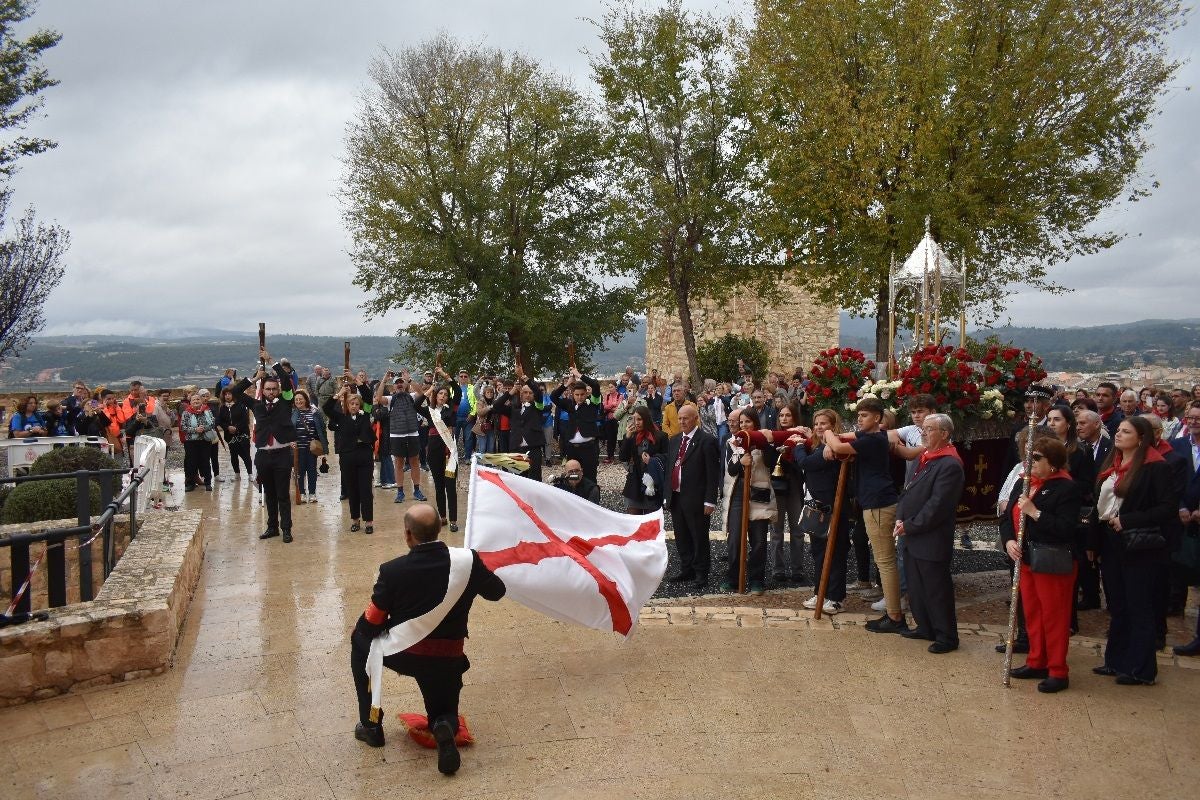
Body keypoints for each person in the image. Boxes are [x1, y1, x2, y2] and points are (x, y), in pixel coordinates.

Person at [350, 504, 505, 774]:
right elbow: (497, 592)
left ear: (408, 534)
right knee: (444, 711)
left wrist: (366, 627)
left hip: (403, 655)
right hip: (447, 657)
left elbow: (371, 624)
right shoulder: (468, 562)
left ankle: (371, 725)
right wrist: (475, 568)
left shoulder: (392, 571)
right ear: (440, 529)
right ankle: (443, 725)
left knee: (359, 641)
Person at [1092, 415, 1177, 685]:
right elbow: (1099, 506)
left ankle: (1141, 668)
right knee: (1118, 604)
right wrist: (1093, 543)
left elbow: (1166, 508)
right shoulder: (1112, 463)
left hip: (1139, 543)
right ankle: (1116, 660)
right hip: (1111, 541)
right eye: (1118, 430)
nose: (1118, 434)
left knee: (1139, 604)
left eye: (1126, 432)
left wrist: (1128, 520)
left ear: (1141, 439)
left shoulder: (1155, 467)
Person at [1000, 437, 1082, 692]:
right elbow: (1006, 515)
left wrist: (1035, 513)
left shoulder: (1066, 488)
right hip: (1025, 558)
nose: (1030, 462)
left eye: (1037, 458)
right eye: (1029, 456)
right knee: (1033, 612)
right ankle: (1037, 660)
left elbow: (1066, 528)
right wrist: (1009, 540)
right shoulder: (1024, 482)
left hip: (1051, 560)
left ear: (1054, 463)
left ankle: (1058, 669)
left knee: (1054, 616)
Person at [823, 397, 907, 634]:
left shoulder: (872, 440)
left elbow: (840, 446)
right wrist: (836, 439)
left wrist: (829, 433)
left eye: (865, 416)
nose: (859, 420)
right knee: (885, 559)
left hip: (878, 503)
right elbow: (849, 439)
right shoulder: (874, 437)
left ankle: (894, 616)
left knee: (885, 561)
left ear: (878, 418)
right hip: (876, 501)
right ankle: (893, 613)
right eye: (858, 416)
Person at [894, 413, 965, 655]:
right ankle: (925, 626)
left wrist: (911, 525)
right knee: (916, 586)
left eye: (929, 429)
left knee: (936, 589)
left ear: (944, 434)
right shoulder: (924, 456)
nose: (923, 433)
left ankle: (946, 635)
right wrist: (901, 517)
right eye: (923, 428)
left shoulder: (950, 464)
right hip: (912, 533)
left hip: (931, 537)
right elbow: (908, 490)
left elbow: (938, 506)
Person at [232, 351, 298, 543]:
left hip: (282, 453)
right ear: (264, 390)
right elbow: (236, 392)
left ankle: (286, 528)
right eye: (267, 389)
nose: (270, 392)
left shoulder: (286, 402)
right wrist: (254, 379)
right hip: (263, 454)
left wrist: (272, 362)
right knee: (268, 493)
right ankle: (272, 527)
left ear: (277, 390)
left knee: (283, 494)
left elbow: (286, 381)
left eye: (273, 389)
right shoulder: (256, 405)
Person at [800, 409, 851, 614]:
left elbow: (806, 463)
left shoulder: (834, 446)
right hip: (816, 506)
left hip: (834, 506)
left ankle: (836, 597)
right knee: (818, 551)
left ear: (833, 425)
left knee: (836, 552)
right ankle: (820, 591)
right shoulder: (817, 446)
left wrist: (797, 448)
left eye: (824, 423)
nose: (819, 427)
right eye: (816, 423)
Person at [665, 403, 720, 589]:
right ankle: (686, 568)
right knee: (681, 536)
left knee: (699, 536)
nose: (682, 421)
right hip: (677, 497)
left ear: (695, 419)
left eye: (685, 418)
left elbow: (713, 474)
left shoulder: (707, 441)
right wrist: (667, 495)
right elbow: (670, 469)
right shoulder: (673, 440)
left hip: (696, 498)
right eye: (679, 418)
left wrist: (710, 500)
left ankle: (701, 572)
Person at [723, 412, 777, 595]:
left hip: (759, 494)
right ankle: (734, 578)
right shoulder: (734, 443)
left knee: (759, 540)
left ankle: (756, 580)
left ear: (755, 423)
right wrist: (741, 463)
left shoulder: (763, 440)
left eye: (748, 421)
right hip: (739, 495)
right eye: (741, 422)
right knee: (735, 539)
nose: (744, 425)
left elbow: (771, 462)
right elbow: (731, 469)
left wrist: (766, 445)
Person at [325, 380, 377, 534]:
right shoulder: (341, 418)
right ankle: (355, 519)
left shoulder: (365, 415)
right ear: (347, 406)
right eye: (351, 404)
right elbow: (327, 408)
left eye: (356, 404)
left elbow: (368, 396)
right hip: (347, 456)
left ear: (359, 405)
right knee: (352, 489)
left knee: (365, 489)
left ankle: (369, 521)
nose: (354, 406)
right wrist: (339, 393)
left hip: (364, 455)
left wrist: (357, 381)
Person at [1171, 401, 1200, 656]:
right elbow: (1171, 482)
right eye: (1190, 418)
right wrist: (1180, 506)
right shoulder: (1178, 445)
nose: (1194, 422)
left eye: (1198, 418)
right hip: (1182, 519)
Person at [375, 370, 428, 505]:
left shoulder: (411, 396)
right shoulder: (391, 399)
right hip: (397, 434)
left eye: (401, 382)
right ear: (393, 387)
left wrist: (409, 380)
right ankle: (400, 492)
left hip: (412, 433)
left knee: (414, 462)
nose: (399, 385)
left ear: (404, 385)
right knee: (399, 463)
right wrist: (384, 380)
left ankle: (416, 490)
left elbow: (422, 393)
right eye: (396, 383)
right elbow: (378, 398)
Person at [769, 403, 808, 585]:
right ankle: (777, 569)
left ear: (794, 418)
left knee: (797, 529)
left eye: (788, 415)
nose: (784, 419)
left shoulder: (801, 436)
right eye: (781, 415)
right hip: (777, 486)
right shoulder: (773, 437)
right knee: (776, 530)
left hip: (794, 484)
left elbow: (804, 462)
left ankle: (797, 569)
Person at [422, 369, 462, 531]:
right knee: (439, 485)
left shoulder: (451, 409)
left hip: (449, 451)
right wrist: (430, 389)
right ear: (436, 395)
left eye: (445, 394)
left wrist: (446, 375)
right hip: (434, 450)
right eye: (440, 393)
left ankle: (453, 520)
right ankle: (443, 517)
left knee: (450, 486)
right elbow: (416, 403)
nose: (443, 396)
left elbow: (458, 390)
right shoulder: (429, 411)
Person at [550, 368, 603, 484]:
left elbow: (595, 384)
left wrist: (578, 375)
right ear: (572, 394)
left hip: (589, 448)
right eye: (577, 395)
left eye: (582, 394)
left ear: (586, 393)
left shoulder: (593, 403)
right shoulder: (569, 404)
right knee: (573, 478)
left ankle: (591, 499)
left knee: (590, 476)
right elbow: (553, 397)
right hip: (572, 448)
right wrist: (568, 383)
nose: (579, 397)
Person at [620, 406, 668, 513]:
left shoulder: (661, 436)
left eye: (639, 419)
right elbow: (623, 457)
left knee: (650, 524)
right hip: (634, 483)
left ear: (646, 419)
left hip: (652, 484)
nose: (636, 423)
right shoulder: (630, 435)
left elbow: (667, 459)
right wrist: (627, 438)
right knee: (634, 524)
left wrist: (652, 461)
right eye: (634, 419)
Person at [509, 368, 547, 482]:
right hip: (517, 447)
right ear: (520, 394)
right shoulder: (515, 408)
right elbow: (497, 406)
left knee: (535, 478)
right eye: (525, 392)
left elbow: (539, 393)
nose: (528, 395)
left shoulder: (538, 407)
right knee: (519, 479)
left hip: (533, 448)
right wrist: (510, 392)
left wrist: (524, 377)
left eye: (530, 393)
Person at [292, 390, 327, 503]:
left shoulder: (314, 412)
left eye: (300, 399)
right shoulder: (293, 413)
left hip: (312, 447)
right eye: (296, 399)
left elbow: (322, 429)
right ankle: (302, 493)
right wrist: (290, 442)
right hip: (298, 448)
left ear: (305, 399)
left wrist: (323, 443)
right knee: (300, 471)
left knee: (312, 470)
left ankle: (312, 493)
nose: (298, 401)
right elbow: (288, 430)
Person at [180, 393, 215, 492]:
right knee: (191, 462)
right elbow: (183, 427)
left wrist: (203, 429)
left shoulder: (207, 411)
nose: (196, 401)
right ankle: (190, 483)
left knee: (206, 461)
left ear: (201, 401)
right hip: (191, 442)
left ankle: (208, 483)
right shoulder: (186, 413)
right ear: (190, 402)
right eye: (194, 400)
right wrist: (195, 430)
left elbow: (212, 423)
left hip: (205, 440)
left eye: (198, 400)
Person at [453, 369, 477, 461]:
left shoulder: (473, 388)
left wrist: (472, 414)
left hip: (468, 417)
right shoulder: (453, 388)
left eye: (465, 376)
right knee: (454, 438)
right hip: (455, 417)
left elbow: (476, 402)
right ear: (458, 378)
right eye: (461, 376)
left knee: (469, 438)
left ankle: (467, 458)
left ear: (468, 378)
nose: (463, 378)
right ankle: (453, 458)